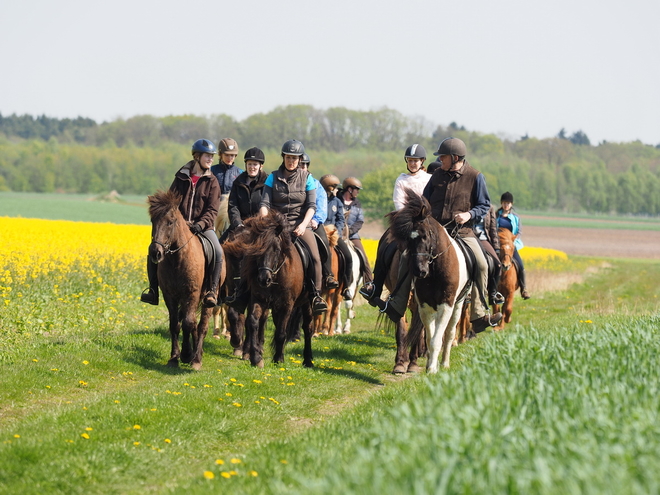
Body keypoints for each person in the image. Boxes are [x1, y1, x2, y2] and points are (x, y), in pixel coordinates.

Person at [374, 137, 502, 333]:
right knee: (407, 256)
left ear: (455, 157)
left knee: (483, 263)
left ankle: (478, 314)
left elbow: (484, 205)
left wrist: (469, 214)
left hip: (463, 232)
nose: (440, 160)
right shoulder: (437, 176)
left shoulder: (476, 176)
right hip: (434, 231)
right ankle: (397, 304)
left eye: (443, 157)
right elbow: (425, 201)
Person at [140, 138, 223, 308]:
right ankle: (153, 290)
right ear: (197, 156)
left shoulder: (212, 182)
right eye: (207, 156)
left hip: (203, 227)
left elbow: (213, 210)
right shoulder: (181, 177)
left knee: (218, 252)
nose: (210, 160)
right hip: (179, 227)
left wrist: (200, 224)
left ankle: (212, 291)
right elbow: (169, 203)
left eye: (212, 156)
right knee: (154, 248)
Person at [259, 140, 328, 315]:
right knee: (254, 252)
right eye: (288, 157)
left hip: (300, 225)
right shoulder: (271, 177)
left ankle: (316, 295)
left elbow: (312, 205)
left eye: (295, 158)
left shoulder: (308, 179)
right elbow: (265, 202)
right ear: (284, 158)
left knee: (315, 256)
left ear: (299, 160)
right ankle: (243, 291)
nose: (291, 161)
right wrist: (265, 218)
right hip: (276, 226)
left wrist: (304, 225)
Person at [360, 144, 431, 302]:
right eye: (410, 160)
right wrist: (409, 220)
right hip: (406, 223)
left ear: (422, 161)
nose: (413, 163)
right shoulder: (402, 179)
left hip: (426, 223)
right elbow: (398, 203)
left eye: (416, 160)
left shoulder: (429, 179)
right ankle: (376, 287)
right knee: (385, 243)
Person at [299, 153, 339, 289]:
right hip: (295, 222)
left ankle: (328, 275)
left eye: (305, 164)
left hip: (313, 223)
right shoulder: (290, 182)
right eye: (301, 164)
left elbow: (321, 206)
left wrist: (316, 220)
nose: (303, 166)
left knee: (324, 244)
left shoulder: (316, 184)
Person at [321, 173, 354, 299]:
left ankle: (346, 286)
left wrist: (337, 231)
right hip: (320, 233)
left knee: (348, 256)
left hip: (334, 234)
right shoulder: (318, 199)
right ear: (329, 187)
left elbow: (340, 219)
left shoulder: (337, 202)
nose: (337, 190)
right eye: (335, 187)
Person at [338, 177, 374, 286]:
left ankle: (369, 284)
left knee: (363, 257)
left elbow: (360, 221)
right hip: (337, 234)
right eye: (356, 189)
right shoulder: (336, 200)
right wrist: (340, 230)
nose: (358, 192)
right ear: (349, 189)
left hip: (353, 235)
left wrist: (350, 231)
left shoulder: (357, 203)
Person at [496, 191, 530, 299]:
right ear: (501, 203)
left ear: (511, 204)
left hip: (511, 246)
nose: (506, 205)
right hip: (498, 246)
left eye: (508, 203)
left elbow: (519, 232)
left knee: (520, 265)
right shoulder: (496, 215)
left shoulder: (516, 217)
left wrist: (512, 242)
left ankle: (524, 289)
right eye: (504, 203)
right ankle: (487, 288)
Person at [474, 205, 505, 305]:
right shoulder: (467, 202)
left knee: (497, 265)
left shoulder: (490, 208)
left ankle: (493, 294)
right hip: (469, 236)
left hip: (483, 238)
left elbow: (492, 229)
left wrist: (496, 248)